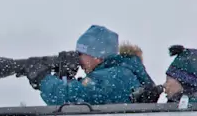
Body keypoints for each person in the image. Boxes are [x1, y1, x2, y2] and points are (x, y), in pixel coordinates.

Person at [25, 25, 157, 105]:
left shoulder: (114, 76)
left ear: (98, 56)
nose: (78, 59)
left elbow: (67, 98)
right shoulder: (119, 72)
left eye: (81, 53)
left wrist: (43, 79)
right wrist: (65, 77)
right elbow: (78, 100)